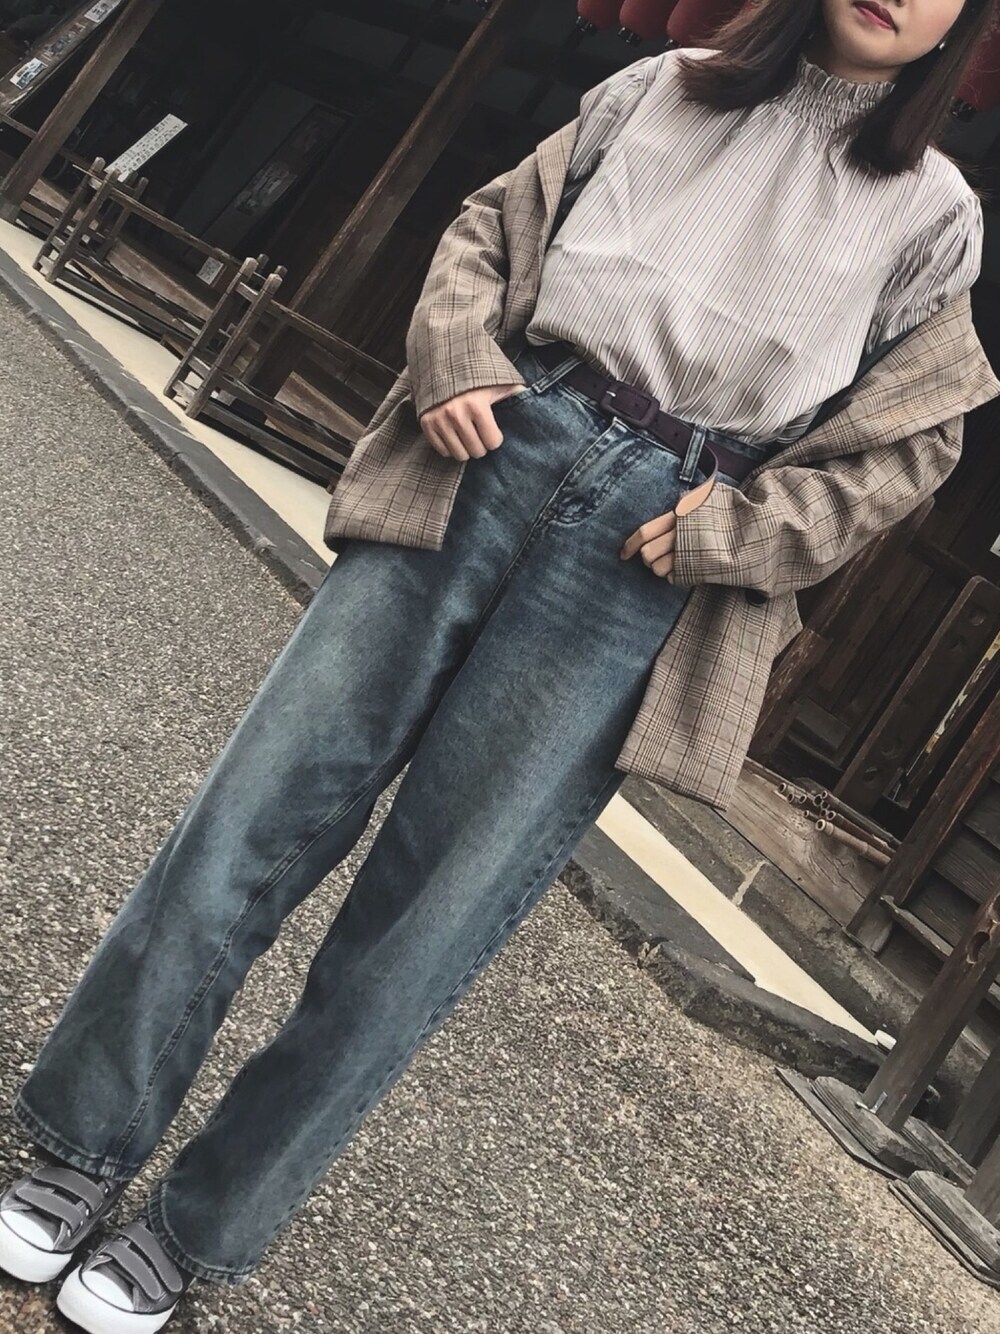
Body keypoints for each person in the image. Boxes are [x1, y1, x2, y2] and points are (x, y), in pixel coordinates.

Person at [3, 1, 999, 1329]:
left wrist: (750, 531)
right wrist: (458, 354)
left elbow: (914, 441)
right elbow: (489, 229)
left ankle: (202, 1225)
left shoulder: (932, 216)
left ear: (963, 27)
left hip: (653, 553)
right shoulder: (666, 86)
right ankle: (81, 1142)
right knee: (250, 816)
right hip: (495, 449)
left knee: (424, 923)